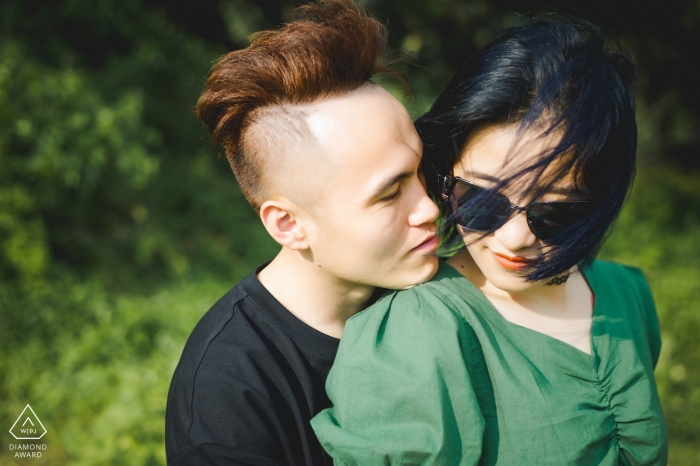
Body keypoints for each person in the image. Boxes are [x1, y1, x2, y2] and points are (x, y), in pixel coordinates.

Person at [311, 16, 668, 465]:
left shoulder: (626, 295)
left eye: (555, 213)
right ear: (445, 176)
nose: (514, 238)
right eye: (480, 199)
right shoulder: (420, 330)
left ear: (602, 201)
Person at [164, 1, 440, 465]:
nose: (429, 208)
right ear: (288, 225)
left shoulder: (446, 293)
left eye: (421, 172)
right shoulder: (228, 397)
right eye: (390, 195)